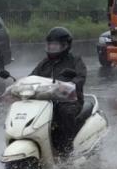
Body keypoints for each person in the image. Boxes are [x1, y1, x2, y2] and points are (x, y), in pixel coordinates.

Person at [30, 27, 87, 157]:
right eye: (50, 45)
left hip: (70, 100)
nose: (52, 48)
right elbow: (32, 77)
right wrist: (21, 85)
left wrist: (69, 85)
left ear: (65, 46)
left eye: (55, 46)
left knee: (65, 113)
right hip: (46, 100)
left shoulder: (74, 60)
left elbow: (81, 77)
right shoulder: (44, 63)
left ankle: (68, 149)